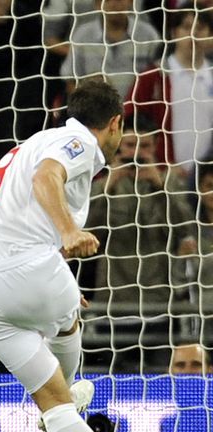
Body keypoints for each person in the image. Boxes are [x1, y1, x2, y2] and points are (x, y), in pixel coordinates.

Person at [0, 80, 125, 432]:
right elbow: (46, 177)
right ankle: (67, 393)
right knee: (67, 318)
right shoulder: (77, 142)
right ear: (115, 123)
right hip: (23, 269)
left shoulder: (32, 143)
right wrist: (69, 232)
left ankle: (61, 410)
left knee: (53, 402)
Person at [85, 113, 196, 372]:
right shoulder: (102, 185)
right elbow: (86, 231)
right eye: (130, 145)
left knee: (159, 380)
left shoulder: (170, 183)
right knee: (107, 382)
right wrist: (109, 185)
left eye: (144, 146)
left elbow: (188, 230)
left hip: (158, 305)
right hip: (112, 304)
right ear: (120, 144)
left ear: (155, 146)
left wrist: (159, 186)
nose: (137, 152)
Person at [124, 3, 212, 171]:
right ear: (173, 32)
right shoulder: (152, 77)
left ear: (210, 35)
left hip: (206, 179)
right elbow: (131, 122)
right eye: (186, 27)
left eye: (200, 28)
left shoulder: (211, 75)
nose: (193, 34)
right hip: (162, 174)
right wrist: (162, 163)